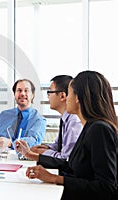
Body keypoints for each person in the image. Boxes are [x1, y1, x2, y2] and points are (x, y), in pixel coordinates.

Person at [16, 71, 118, 200]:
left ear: (77, 97)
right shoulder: (89, 127)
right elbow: (71, 166)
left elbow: (107, 188)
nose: (66, 98)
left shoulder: (99, 129)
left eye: (69, 93)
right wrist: (42, 168)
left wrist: (56, 178)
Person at [31, 75, 82, 159]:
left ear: (62, 96)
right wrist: (46, 148)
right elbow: (59, 146)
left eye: (50, 92)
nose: (48, 96)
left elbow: (66, 158)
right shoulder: (65, 118)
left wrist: (44, 152)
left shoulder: (74, 121)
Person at [0, 79, 46, 148]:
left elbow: (33, 141)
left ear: (32, 95)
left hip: (19, 158)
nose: (22, 94)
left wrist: (11, 143)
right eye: (19, 90)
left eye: (26, 90)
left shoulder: (39, 120)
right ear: (14, 94)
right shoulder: (3, 115)